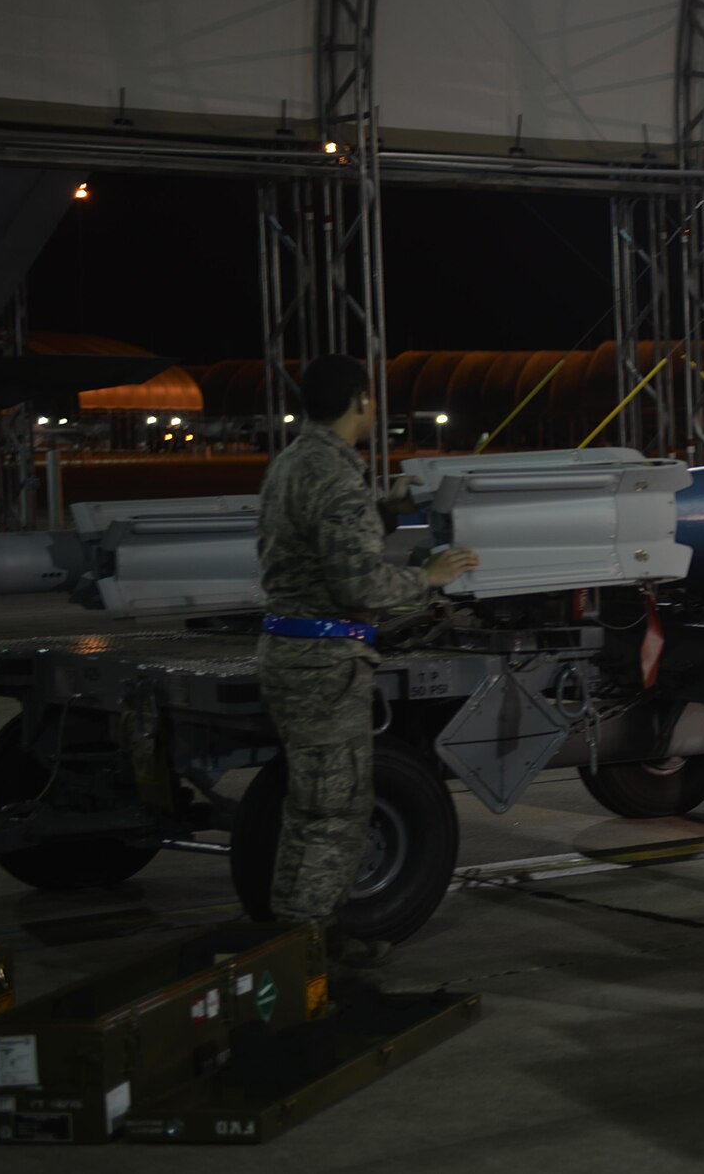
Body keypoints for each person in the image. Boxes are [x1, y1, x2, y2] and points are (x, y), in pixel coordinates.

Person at [257, 355, 479, 966]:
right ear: (359, 400)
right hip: (324, 662)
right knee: (335, 813)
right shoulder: (334, 473)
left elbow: (312, 541)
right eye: (373, 398)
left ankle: (292, 941)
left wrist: (382, 511)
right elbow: (358, 585)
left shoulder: (292, 463)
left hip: (291, 650)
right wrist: (425, 578)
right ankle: (305, 956)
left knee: (308, 809)